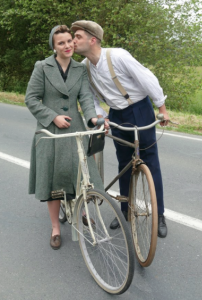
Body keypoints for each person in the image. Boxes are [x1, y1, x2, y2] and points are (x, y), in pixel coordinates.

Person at [71, 20, 169, 238]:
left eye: (78, 36)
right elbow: (90, 98)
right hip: (116, 114)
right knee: (125, 164)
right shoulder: (85, 67)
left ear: (92, 39)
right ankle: (126, 212)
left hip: (139, 109)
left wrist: (161, 107)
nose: (73, 41)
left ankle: (159, 214)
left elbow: (147, 78)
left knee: (150, 161)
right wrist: (101, 117)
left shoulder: (118, 56)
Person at [25, 25, 104, 250]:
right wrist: (53, 117)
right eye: (61, 43)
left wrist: (92, 119)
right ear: (54, 46)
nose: (67, 45)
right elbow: (31, 99)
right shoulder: (42, 67)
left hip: (74, 129)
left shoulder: (80, 69)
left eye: (69, 41)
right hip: (50, 131)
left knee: (79, 176)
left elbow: (86, 99)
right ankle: (56, 228)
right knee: (53, 182)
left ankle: (81, 212)